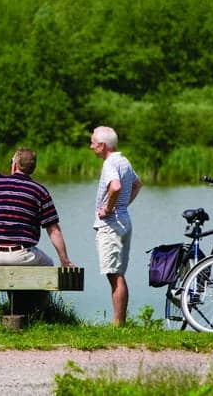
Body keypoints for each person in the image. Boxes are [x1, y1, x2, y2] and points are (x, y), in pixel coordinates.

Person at [89, 126, 143, 326]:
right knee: (117, 273)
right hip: (124, 221)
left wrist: (109, 209)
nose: (91, 146)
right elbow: (137, 184)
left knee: (114, 274)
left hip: (111, 225)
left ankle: (118, 323)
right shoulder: (124, 160)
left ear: (102, 145)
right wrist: (122, 206)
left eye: (93, 142)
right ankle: (120, 321)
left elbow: (116, 186)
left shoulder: (110, 163)